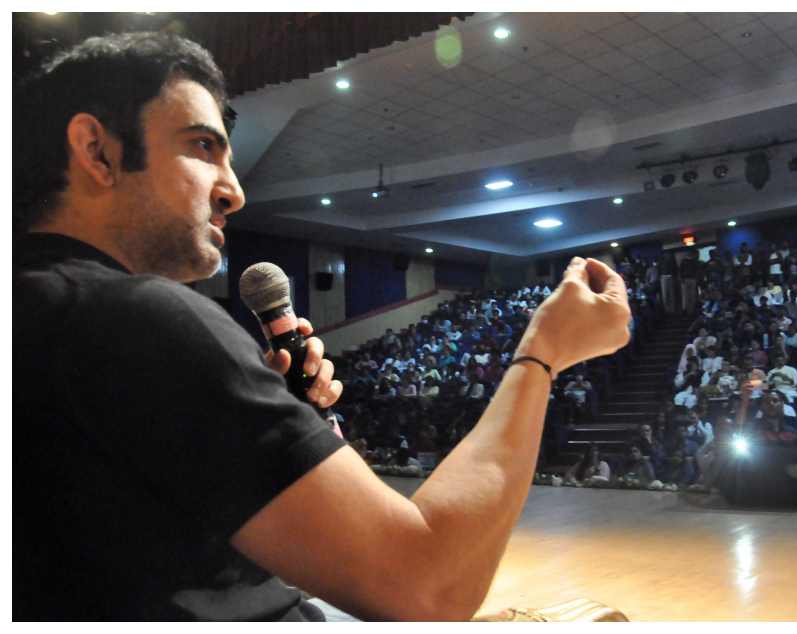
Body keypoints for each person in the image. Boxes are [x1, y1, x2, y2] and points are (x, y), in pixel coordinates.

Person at [13, 32, 633, 621]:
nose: (234, 192)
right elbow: (428, 587)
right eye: (203, 146)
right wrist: (543, 353)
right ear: (97, 150)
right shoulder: (138, 316)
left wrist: (258, 430)